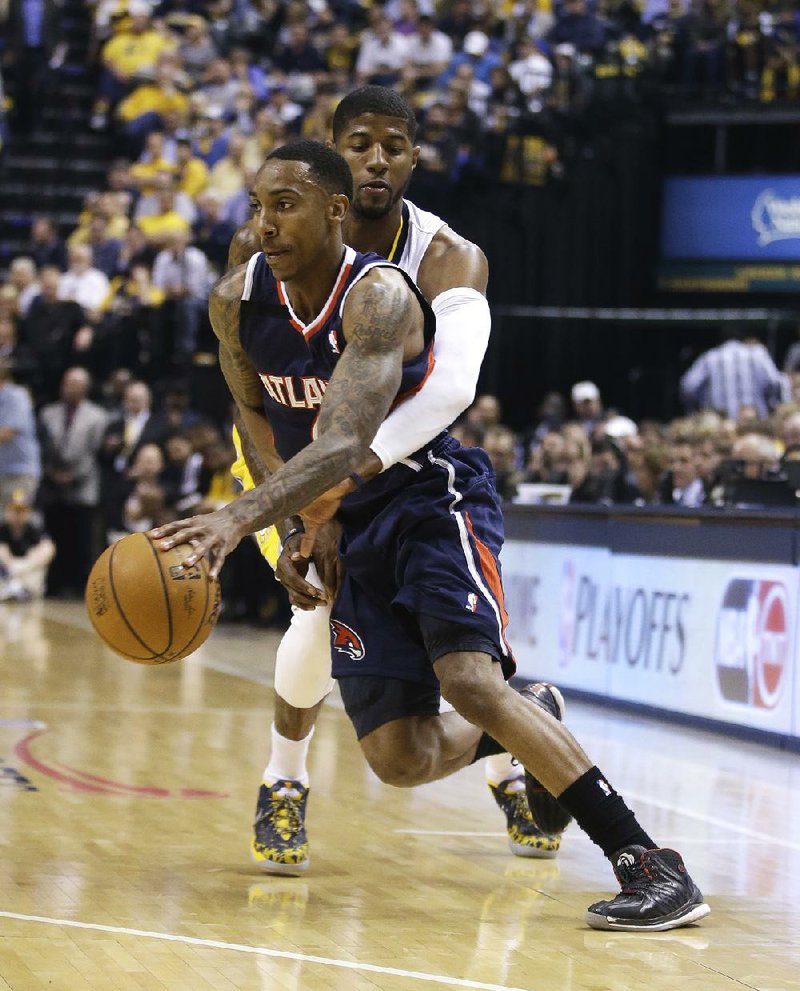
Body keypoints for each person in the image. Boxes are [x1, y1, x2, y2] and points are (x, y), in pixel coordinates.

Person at [152, 140, 709, 932]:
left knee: (467, 681)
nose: (265, 224)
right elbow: (254, 414)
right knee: (399, 758)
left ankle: (649, 862)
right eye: (257, 206)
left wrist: (237, 516)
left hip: (422, 496)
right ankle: (528, 712)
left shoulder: (378, 297)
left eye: (286, 205)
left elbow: (346, 441)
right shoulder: (234, 302)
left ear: (336, 211)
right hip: (337, 510)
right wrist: (295, 522)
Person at [225, 87, 565, 873]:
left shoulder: (447, 255)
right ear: (332, 157)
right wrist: (298, 511)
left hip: (395, 459)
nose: (376, 158)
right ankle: (284, 779)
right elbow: (248, 387)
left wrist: (344, 483)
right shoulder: (269, 240)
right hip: (289, 443)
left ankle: (508, 749)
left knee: (456, 653)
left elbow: (450, 390)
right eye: (359, 142)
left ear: (414, 158)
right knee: (310, 607)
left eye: (393, 145)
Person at [680, 328, 788, 421]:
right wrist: (770, 408)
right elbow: (775, 382)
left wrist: (697, 410)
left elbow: (688, 386)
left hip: (721, 423)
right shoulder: (757, 354)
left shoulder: (709, 357)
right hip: (754, 422)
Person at [0, 491, 55, 602]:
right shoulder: (3, 530)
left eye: (21, 511)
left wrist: (25, 566)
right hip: (7, 572)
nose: (18, 515)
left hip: (27, 571)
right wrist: (11, 566)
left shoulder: (34, 530)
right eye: (14, 510)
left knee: (41, 550)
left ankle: (23, 589)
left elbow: (48, 548)